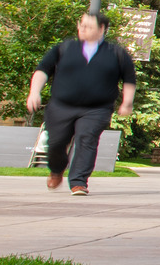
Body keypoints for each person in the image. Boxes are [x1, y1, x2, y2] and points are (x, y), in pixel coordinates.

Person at [24, 13, 138, 196]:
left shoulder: (116, 53)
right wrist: (34, 92)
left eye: (89, 26)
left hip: (97, 108)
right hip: (61, 106)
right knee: (56, 143)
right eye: (81, 25)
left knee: (87, 139)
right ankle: (56, 169)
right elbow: (42, 70)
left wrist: (127, 102)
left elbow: (129, 79)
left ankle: (79, 182)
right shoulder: (64, 48)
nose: (83, 29)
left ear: (102, 29)